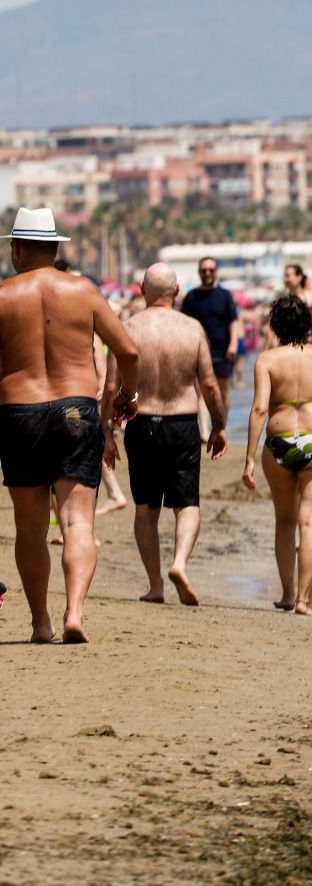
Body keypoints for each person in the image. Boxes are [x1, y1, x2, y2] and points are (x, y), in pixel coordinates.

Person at [0, 207, 140, 644]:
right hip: (77, 409)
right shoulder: (84, 291)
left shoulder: (3, 295)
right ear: (57, 247)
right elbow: (129, 352)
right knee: (78, 522)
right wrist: (126, 397)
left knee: (30, 527)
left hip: (18, 412)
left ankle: (40, 623)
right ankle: (74, 613)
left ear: (16, 249)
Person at [107, 263, 228, 605]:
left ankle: (156, 585)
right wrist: (218, 426)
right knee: (187, 503)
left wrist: (106, 434)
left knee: (145, 506)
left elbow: (111, 386)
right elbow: (208, 383)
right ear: (176, 292)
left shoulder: (128, 327)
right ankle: (179, 563)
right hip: (182, 423)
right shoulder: (192, 328)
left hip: (141, 423)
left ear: (142, 288)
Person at [242, 294, 312, 614]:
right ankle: (303, 600)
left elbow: (260, 408)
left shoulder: (268, 359)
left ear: (275, 326)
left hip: (280, 441)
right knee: (311, 522)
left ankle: (288, 594)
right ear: (307, 325)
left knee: (285, 521)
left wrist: (248, 458)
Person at [179, 255, 242, 421]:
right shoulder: (191, 296)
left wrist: (233, 345)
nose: (207, 273)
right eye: (204, 270)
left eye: (211, 270)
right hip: (198, 349)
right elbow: (183, 323)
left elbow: (233, 321)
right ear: (199, 272)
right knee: (201, 390)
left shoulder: (225, 295)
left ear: (216, 272)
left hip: (223, 349)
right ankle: (205, 432)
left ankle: (221, 424)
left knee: (222, 389)